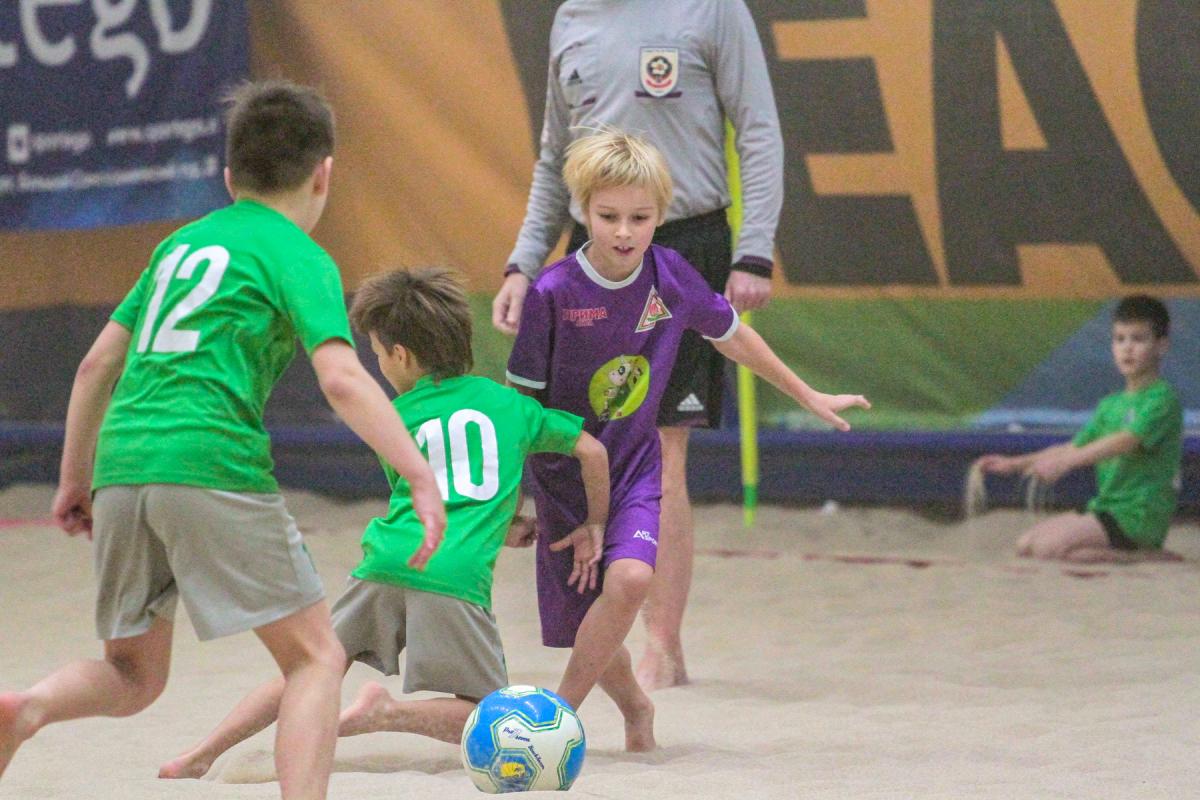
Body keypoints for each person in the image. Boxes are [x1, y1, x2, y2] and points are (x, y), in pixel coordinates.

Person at [0, 81, 447, 800]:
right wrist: (419, 474)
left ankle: (29, 706)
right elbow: (341, 379)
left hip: (123, 465)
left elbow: (96, 366)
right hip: (211, 461)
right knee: (315, 659)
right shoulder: (297, 253)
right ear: (324, 174)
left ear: (230, 176)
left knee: (132, 674)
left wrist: (74, 479)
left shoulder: (177, 246)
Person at [158, 267, 610, 780]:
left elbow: (425, 490)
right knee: (489, 713)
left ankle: (200, 754)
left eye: (376, 353)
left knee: (307, 668)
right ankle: (387, 713)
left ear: (401, 356)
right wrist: (593, 522)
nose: (378, 363)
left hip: (386, 560)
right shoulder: (511, 405)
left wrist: (502, 526)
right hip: (453, 574)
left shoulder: (394, 417)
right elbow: (591, 452)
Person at [506, 130, 867, 751]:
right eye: (609, 217)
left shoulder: (670, 275)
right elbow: (518, 408)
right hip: (563, 478)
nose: (625, 232)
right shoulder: (552, 293)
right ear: (582, 211)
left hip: (633, 468)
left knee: (628, 583)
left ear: (661, 214)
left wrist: (807, 393)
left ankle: (555, 720)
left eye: (640, 217)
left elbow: (733, 334)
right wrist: (512, 501)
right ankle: (636, 709)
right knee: (588, 623)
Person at [492, 0, 784, 691]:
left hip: (685, 240)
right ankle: (608, 624)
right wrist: (523, 263)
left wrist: (754, 249)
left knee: (661, 447)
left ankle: (662, 643)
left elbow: (759, 130)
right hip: (596, 243)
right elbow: (553, 159)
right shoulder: (573, 18)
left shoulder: (712, 10)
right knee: (590, 440)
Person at [977, 295, 1183, 563]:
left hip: (1138, 516)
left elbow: (1125, 440)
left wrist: (1066, 464)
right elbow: (1073, 446)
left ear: (1161, 345)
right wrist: (1014, 464)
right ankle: (1139, 556)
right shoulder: (1110, 405)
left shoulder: (1162, 398)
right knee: (1026, 545)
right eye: (1120, 339)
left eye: (1138, 339)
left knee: (1047, 549)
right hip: (1106, 510)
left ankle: (1144, 555)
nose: (1127, 348)